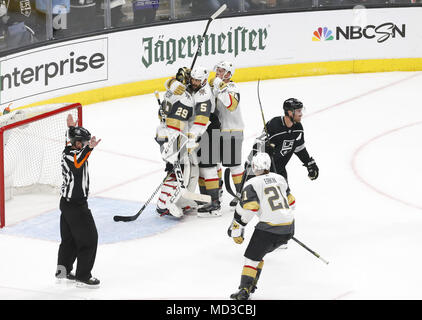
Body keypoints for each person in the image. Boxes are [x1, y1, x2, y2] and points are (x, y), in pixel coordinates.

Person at [227, 152, 294, 300]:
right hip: (289, 226)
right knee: (258, 254)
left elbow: (250, 208)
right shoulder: (280, 178)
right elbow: (292, 203)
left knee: (251, 258)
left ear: (253, 166)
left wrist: (239, 226)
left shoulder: (251, 183)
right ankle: (250, 288)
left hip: (269, 228)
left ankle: (245, 290)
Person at [55, 114, 101, 288]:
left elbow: (79, 152)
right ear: (75, 142)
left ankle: (62, 271)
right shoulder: (71, 155)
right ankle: (83, 275)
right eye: (82, 141)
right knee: (89, 239)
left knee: (70, 239)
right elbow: (78, 161)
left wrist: (71, 129)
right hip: (75, 205)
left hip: (67, 204)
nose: (84, 144)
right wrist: (89, 148)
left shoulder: (71, 147)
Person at [252, 97, 319, 208]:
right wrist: (265, 149)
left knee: (286, 203)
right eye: (298, 111)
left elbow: (299, 148)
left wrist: (309, 163)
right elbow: (257, 145)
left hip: (280, 170)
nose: (301, 114)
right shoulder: (274, 124)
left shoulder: (298, 128)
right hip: (264, 171)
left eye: (301, 110)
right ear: (289, 112)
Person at [209, 61, 244, 210]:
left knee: (235, 166)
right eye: (217, 70)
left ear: (229, 74)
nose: (218, 73)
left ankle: (242, 195)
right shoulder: (215, 87)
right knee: (214, 163)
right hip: (216, 130)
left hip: (232, 130)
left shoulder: (232, 87)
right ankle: (218, 191)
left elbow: (231, 104)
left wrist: (219, 86)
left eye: (222, 71)